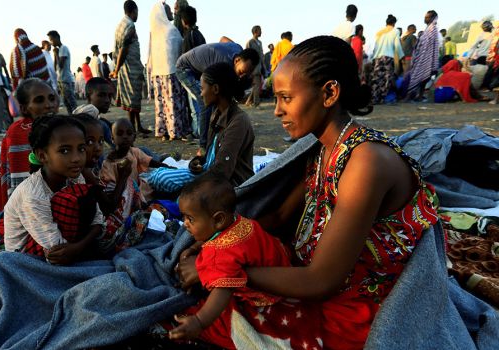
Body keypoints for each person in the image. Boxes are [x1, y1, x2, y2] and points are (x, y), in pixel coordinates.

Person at [177, 36, 439, 349]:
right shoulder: (323, 149)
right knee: (201, 306)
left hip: (354, 305)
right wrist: (213, 244)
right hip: (307, 275)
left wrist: (220, 270)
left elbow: (321, 281)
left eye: (286, 98)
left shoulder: (365, 162)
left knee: (210, 319)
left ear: (329, 93)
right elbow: (279, 216)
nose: (277, 111)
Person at [169, 173, 322, 349]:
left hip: (270, 292)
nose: (185, 224)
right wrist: (195, 247)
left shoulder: (219, 254)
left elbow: (223, 290)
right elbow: (211, 235)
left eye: (190, 219)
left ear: (219, 219)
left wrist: (199, 321)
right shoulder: (238, 221)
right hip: (283, 260)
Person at [3, 115, 103, 264]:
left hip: (70, 243)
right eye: (64, 151)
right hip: (25, 258)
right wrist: (83, 244)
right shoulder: (34, 194)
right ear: (42, 155)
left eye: (81, 149)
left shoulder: (74, 177)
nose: (76, 158)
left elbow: (98, 218)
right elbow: (57, 250)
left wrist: (77, 248)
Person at [147, 62, 254, 193]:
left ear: (215, 89)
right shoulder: (216, 113)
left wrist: (193, 188)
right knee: (159, 175)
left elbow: (222, 171)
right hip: (211, 174)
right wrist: (197, 162)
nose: (201, 94)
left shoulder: (238, 121)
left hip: (229, 184)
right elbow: (209, 153)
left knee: (163, 179)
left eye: (203, 88)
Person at [176, 43, 259, 148]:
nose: (241, 76)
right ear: (237, 60)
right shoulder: (222, 63)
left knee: (218, 100)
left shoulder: (238, 49)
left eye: (246, 74)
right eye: (241, 72)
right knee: (205, 103)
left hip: (202, 68)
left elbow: (223, 39)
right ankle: (203, 145)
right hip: (185, 69)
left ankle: (217, 135)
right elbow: (212, 88)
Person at [100, 118, 170, 234]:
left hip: (142, 192)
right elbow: (112, 195)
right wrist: (123, 177)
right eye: (120, 133)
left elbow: (150, 161)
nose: (125, 137)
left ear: (134, 137)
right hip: (125, 200)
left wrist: (165, 166)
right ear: (112, 138)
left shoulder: (134, 152)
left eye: (129, 133)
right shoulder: (109, 164)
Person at [0, 78, 59, 212]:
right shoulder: (19, 132)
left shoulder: (57, 126)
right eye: (39, 100)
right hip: (31, 206)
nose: (49, 105)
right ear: (24, 108)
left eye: (51, 98)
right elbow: (22, 186)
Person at [147, 1, 190, 141]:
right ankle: (175, 131)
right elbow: (179, 52)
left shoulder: (154, 32)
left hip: (157, 74)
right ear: (163, 14)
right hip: (171, 73)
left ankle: (163, 131)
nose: (172, 12)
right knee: (173, 103)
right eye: (168, 11)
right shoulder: (171, 30)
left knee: (161, 104)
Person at [111, 0, 151, 136]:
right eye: (137, 12)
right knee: (131, 99)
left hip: (129, 66)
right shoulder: (129, 25)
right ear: (134, 11)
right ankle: (132, 129)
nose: (137, 15)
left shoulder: (121, 24)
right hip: (129, 67)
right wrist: (116, 69)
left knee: (135, 98)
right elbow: (123, 49)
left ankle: (138, 126)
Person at [406, 10, 440, 101]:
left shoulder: (432, 29)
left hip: (426, 57)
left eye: (427, 17)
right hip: (421, 57)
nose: (425, 19)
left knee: (423, 77)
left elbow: (431, 45)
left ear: (432, 18)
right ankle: (416, 95)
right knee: (419, 77)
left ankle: (418, 96)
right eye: (425, 17)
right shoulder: (428, 29)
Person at [370, 14, 404, 104]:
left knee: (377, 78)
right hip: (388, 57)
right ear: (394, 23)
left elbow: (376, 46)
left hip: (377, 57)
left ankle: (374, 98)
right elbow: (397, 45)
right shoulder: (395, 31)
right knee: (387, 79)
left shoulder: (379, 32)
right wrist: (401, 56)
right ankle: (382, 98)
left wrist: (373, 57)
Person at [73, 77, 114, 146]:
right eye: (101, 95)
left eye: (109, 96)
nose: (107, 100)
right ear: (88, 97)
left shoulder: (83, 109)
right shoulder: (91, 110)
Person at [47, 30, 77, 114]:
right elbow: (55, 67)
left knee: (72, 103)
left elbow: (61, 65)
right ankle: (72, 118)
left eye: (51, 40)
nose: (51, 42)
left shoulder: (63, 48)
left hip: (66, 80)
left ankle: (78, 119)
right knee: (67, 103)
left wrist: (56, 54)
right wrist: (55, 54)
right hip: (61, 80)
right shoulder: (59, 50)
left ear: (57, 38)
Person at [245, 25, 264, 108]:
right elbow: (247, 55)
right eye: (260, 30)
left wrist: (264, 67)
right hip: (253, 67)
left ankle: (248, 101)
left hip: (260, 67)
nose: (261, 32)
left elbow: (261, 56)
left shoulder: (260, 42)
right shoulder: (250, 42)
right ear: (255, 31)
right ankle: (256, 103)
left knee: (256, 85)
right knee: (256, 85)